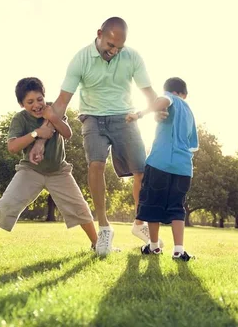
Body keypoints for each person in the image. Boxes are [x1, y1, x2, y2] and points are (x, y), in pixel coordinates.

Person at [30, 17, 161, 256]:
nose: (113, 52)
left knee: (142, 170)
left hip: (124, 117)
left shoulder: (132, 57)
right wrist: (40, 139)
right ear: (99, 33)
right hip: (92, 118)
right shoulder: (81, 59)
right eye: (110, 45)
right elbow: (60, 104)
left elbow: (149, 92)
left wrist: (162, 108)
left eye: (118, 48)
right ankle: (104, 227)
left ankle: (139, 222)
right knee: (96, 165)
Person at [0, 77, 97, 255]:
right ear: (22, 104)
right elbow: (13, 147)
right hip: (30, 171)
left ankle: (96, 244)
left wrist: (53, 118)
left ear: (44, 97)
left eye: (39, 99)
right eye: (30, 102)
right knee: (6, 204)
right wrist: (36, 133)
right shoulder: (20, 119)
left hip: (59, 171)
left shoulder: (53, 109)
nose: (37, 105)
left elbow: (67, 133)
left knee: (80, 207)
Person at [126, 77, 198, 261]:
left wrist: (140, 114)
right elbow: (192, 145)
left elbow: (163, 101)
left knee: (152, 204)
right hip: (183, 168)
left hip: (160, 163)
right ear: (185, 94)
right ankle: (179, 250)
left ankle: (154, 246)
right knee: (177, 207)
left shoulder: (170, 97)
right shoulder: (189, 112)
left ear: (171, 91)